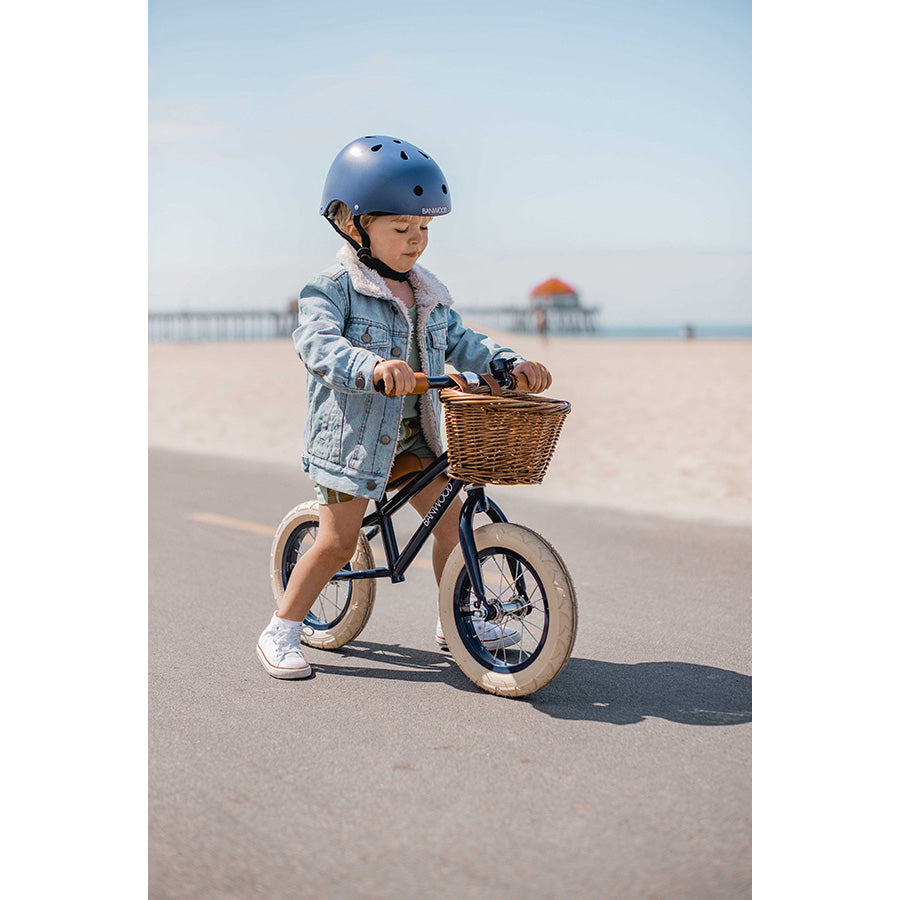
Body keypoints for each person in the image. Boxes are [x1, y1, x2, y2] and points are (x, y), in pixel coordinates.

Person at [256, 135, 552, 679]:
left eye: (424, 230)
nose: (416, 242)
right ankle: (283, 628)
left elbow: (466, 342)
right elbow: (316, 343)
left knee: (452, 522)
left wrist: (511, 363)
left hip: (419, 440)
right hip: (354, 443)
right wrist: (370, 367)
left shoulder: (428, 294)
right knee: (340, 540)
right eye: (400, 229)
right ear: (351, 223)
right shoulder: (333, 288)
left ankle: (458, 618)